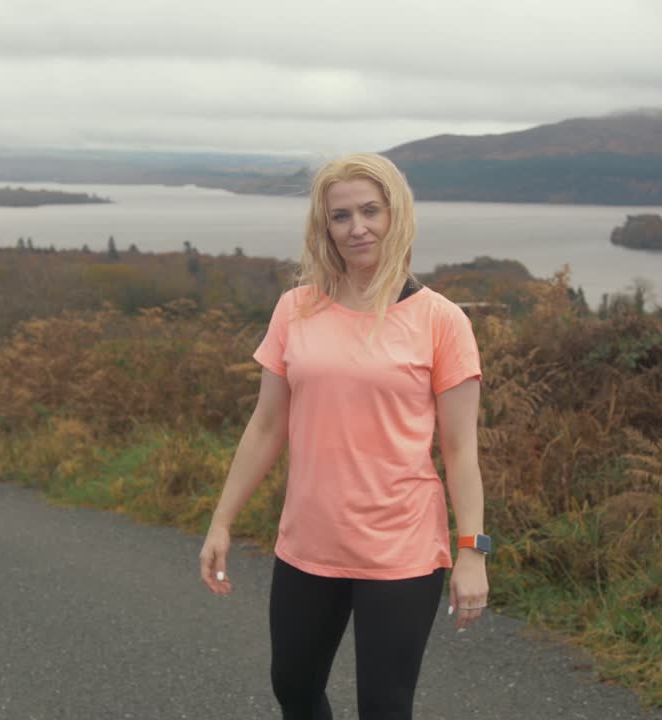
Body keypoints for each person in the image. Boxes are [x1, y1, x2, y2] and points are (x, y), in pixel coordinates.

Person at [198, 152, 489, 720]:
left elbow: (460, 450)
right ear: (324, 227)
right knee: (294, 689)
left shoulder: (442, 321)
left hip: (401, 547)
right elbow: (266, 424)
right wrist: (221, 520)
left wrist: (472, 551)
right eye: (341, 216)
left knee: (384, 706)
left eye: (370, 211)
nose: (357, 227)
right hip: (309, 541)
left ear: (396, 214)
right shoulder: (296, 309)